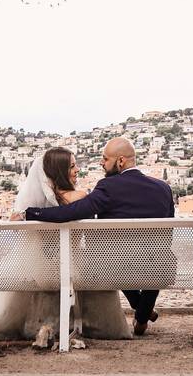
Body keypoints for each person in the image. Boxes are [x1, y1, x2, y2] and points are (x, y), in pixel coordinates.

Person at [0, 147, 131, 340]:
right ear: (60, 171)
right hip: (70, 270)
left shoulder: (43, 204)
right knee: (83, 269)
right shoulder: (79, 197)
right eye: (72, 166)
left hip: (41, 271)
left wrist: (27, 214)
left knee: (54, 272)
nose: (77, 171)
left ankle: (44, 326)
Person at [18, 137, 175, 336]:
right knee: (156, 260)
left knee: (109, 258)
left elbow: (72, 212)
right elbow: (168, 234)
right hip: (161, 267)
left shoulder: (108, 187)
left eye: (105, 159)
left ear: (120, 162)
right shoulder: (163, 189)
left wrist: (30, 214)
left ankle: (142, 314)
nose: (101, 163)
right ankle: (143, 316)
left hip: (113, 266)